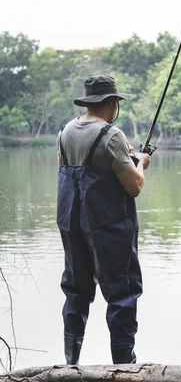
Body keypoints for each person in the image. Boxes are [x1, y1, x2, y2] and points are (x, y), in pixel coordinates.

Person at [56, 75, 150, 365]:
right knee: (122, 292)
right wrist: (141, 163)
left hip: (71, 223)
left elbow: (67, 171)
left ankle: (70, 365)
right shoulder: (112, 135)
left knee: (76, 289)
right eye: (116, 103)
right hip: (108, 228)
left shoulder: (66, 132)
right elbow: (134, 187)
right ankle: (123, 369)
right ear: (111, 102)